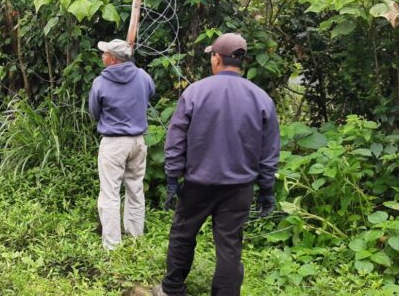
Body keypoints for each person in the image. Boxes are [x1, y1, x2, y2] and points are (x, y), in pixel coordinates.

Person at [152, 33, 280, 296]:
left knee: (183, 235)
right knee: (230, 245)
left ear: (217, 58)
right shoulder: (261, 98)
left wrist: (173, 180)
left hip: (198, 184)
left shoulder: (195, 92)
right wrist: (267, 189)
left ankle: (172, 289)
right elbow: (269, 152)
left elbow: (176, 140)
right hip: (239, 188)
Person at [88, 39, 155, 250]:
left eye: (105, 53)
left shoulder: (100, 82)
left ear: (113, 59)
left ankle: (112, 246)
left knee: (110, 194)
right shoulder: (143, 77)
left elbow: (94, 113)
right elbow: (150, 95)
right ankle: (136, 239)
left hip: (114, 143)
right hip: (138, 142)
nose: (102, 55)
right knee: (135, 190)